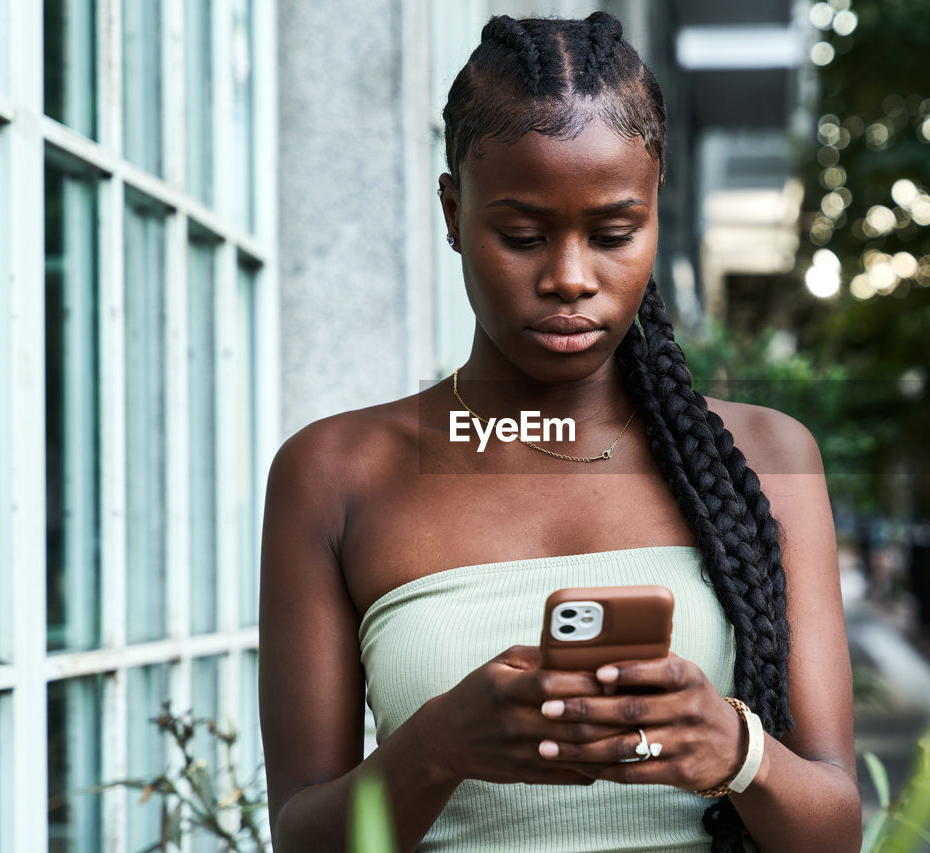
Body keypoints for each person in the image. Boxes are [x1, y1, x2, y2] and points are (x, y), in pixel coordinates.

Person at [259, 12, 860, 852]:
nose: (570, 277)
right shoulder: (335, 473)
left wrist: (736, 750)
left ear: (655, 213)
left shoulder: (765, 459)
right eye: (522, 235)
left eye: (614, 233)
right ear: (451, 209)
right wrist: (437, 749)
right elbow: (304, 836)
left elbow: (835, 830)